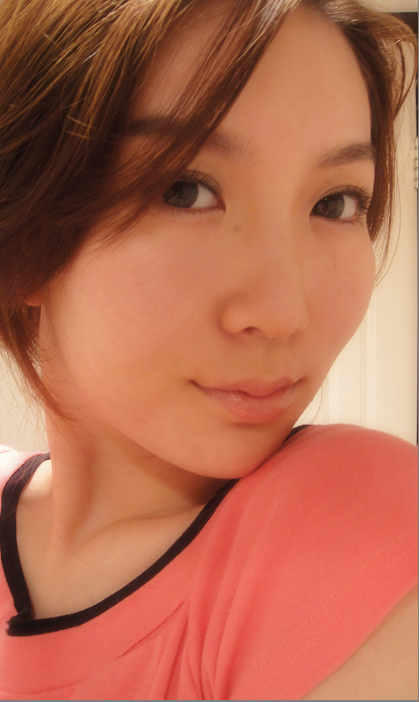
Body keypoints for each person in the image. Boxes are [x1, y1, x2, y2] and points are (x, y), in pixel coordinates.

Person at [0, 0, 417, 698]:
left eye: (335, 203)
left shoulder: (356, 518)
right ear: (25, 240)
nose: (283, 313)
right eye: (184, 190)